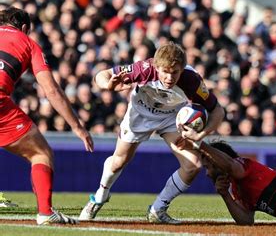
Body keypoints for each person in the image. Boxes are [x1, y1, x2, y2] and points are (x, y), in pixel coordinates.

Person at [79, 42, 225, 224]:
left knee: (193, 165)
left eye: (175, 72)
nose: (170, 77)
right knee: (119, 162)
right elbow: (102, 74)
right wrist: (107, 85)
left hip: (171, 118)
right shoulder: (144, 69)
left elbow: (218, 111)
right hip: (139, 115)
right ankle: (100, 196)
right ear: (157, 67)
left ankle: (158, 209)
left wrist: (201, 135)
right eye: (165, 71)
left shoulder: (191, 80)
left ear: (182, 69)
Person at [0, 7, 94, 224]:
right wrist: (77, 127)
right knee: (40, 153)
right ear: (24, 28)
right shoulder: (28, 42)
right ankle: (45, 213)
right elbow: (51, 90)